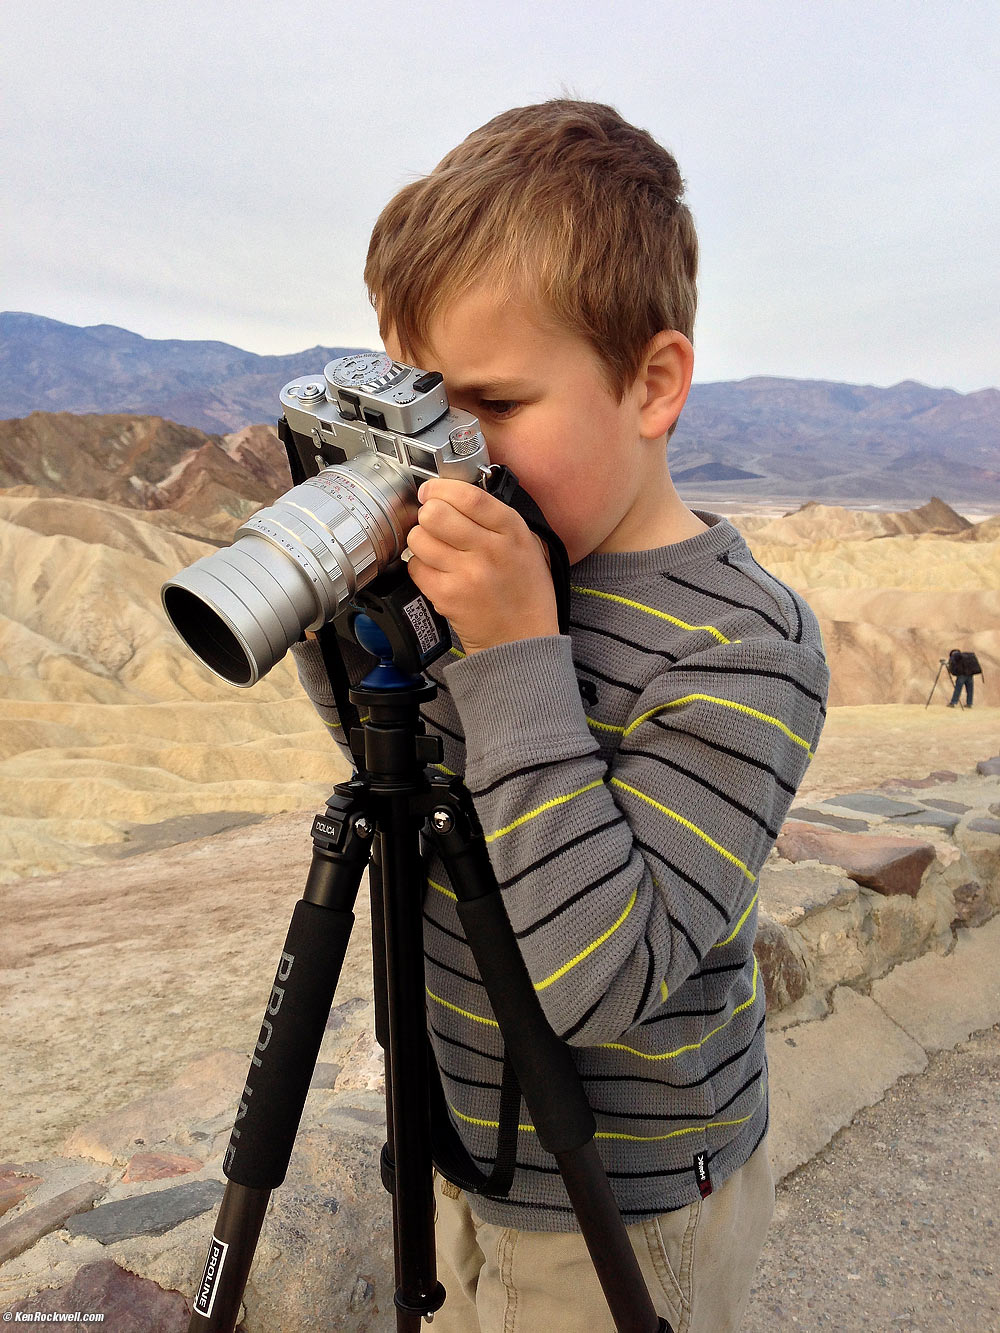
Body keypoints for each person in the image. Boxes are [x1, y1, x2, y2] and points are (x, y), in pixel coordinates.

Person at [291, 100, 830, 1333]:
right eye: (427, 417)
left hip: (627, 1205)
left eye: (496, 407)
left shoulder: (744, 644)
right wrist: (345, 597)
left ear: (651, 382)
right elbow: (402, 779)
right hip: (466, 1144)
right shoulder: (498, 563)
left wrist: (518, 649)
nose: (455, 465)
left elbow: (603, 978)